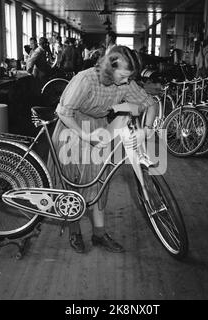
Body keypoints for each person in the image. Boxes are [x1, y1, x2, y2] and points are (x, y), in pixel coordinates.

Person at [47, 46, 158, 254]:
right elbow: (63, 112)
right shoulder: (85, 79)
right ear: (109, 68)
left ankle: (99, 234)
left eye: (129, 77)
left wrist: (147, 128)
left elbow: (149, 103)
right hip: (73, 128)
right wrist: (86, 136)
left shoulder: (124, 83)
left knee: (99, 182)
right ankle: (74, 231)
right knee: (73, 182)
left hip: (98, 128)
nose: (127, 82)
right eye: (124, 75)